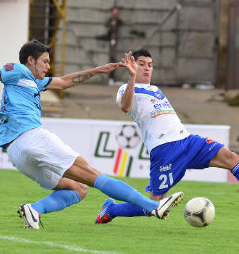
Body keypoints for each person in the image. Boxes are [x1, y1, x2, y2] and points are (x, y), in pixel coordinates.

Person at [0, 40, 184, 229]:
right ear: (30, 60)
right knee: (92, 175)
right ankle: (153, 206)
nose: (48, 66)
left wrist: (98, 70)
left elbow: (65, 81)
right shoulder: (18, 69)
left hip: (16, 154)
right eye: (44, 61)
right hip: (31, 138)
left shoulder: (34, 82)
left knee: (78, 189)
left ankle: (34, 210)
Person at [95, 49, 239, 224]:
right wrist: (132, 77)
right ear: (132, 66)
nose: (146, 68)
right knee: (154, 205)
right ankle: (111, 210)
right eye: (141, 64)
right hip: (164, 149)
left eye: (150, 65)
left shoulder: (155, 89)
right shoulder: (126, 88)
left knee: (231, 158)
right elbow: (125, 107)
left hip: (187, 141)